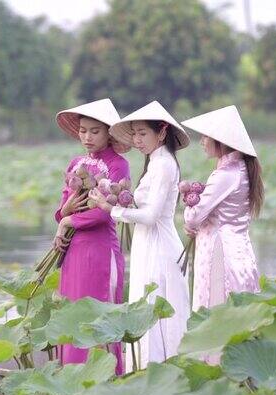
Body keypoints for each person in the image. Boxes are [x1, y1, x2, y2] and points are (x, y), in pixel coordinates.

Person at [89, 100, 189, 369]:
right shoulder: (156, 163)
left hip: (160, 246)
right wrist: (120, 200)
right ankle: (145, 373)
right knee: (144, 310)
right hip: (147, 244)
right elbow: (141, 209)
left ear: (162, 132)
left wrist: (111, 209)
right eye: (134, 134)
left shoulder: (165, 164)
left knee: (155, 311)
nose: (137, 139)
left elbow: (150, 216)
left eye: (143, 133)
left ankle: (159, 373)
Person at [53, 98, 130, 374]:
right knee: (72, 314)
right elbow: (63, 208)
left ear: (109, 132)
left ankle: (105, 379)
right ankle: (72, 384)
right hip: (73, 250)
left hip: (98, 251)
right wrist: (63, 219)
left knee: (98, 316)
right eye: (83, 130)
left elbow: (104, 213)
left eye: (94, 131)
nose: (87, 136)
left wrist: (68, 220)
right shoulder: (76, 164)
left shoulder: (118, 165)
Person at [181, 105, 264, 310]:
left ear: (221, 141)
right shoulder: (242, 168)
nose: (201, 142)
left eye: (205, 137)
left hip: (220, 252)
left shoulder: (225, 175)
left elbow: (193, 218)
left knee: (215, 311)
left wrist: (188, 200)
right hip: (240, 251)